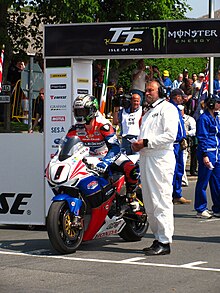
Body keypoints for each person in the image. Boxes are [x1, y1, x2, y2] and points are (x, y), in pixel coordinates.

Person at [66, 94, 140, 210]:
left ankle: (131, 197)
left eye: (83, 112)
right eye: (78, 112)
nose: (80, 115)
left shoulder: (103, 125)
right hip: (88, 159)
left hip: (108, 156)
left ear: (92, 110)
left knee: (132, 169)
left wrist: (105, 162)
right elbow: (66, 145)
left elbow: (115, 148)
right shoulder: (76, 128)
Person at [132, 80, 179, 256]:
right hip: (145, 157)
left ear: (160, 91)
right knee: (149, 201)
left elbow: (170, 135)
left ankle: (165, 241)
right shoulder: (147, 112)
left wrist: (146, 142)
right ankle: (158, 236)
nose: (148, 92)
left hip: (160, 158)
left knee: (161, 199)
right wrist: (137, 144)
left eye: (151, 90)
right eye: (147, 90)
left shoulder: (168, 109)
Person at [194, 94, 220, 219]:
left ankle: (218, 207)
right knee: (203, 181)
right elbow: (202, 137)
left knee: (217, 181)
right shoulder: (204, 119)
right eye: (217, 102)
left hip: (216, 152)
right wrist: (204, 155)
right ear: (211, 104)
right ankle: (201, 208)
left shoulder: (215, 117)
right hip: (208, 152)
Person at [169, 89, 191, 204]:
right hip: (173, 143)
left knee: (179, 169)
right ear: (175, 97)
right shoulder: (170, 108)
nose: (182, 99)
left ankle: (177, 194)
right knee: (172, 170)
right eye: (180, 97)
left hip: (179, 143)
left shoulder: (177, 109)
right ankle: (170, 194)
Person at [178, 105, 196, 187]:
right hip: (175, 143)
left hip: (185, 144)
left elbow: (194, 130)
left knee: (183, 162)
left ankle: (183, 180)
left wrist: (187, 133)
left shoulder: (190, 119)